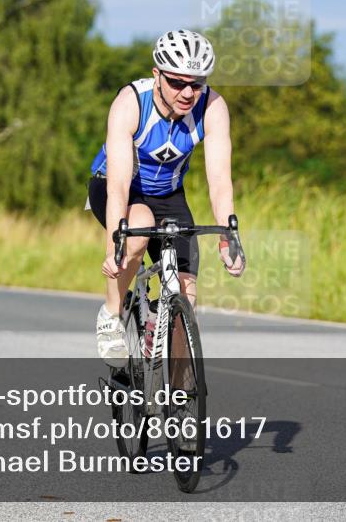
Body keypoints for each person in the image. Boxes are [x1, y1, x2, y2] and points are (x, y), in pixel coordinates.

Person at [86, 29, 245, 365]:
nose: (187, 92)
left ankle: (177, 393)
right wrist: (116, 244)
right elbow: (118, 186)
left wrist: (228, 236)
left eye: (196, 84)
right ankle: (111, 315)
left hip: (168, 195)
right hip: (116, 186)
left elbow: (220, 181)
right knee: (138, 229)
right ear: (157, 74)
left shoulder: (212, 107)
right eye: (177, 82)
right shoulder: (131, 103)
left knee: (186, 295)